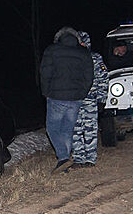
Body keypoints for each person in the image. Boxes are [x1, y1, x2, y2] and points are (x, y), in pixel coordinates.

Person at [40, 26, 94, 172]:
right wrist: (82, 94)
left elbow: (45, 74)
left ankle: (63, 157)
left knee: (52, 128)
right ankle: (65, 161)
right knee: (67, 129)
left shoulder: (51, 50)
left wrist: (46, 92)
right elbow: (89, 77)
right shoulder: (84, 53)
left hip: (56, 97)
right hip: (76, 98)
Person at [70, 31, 109, 171]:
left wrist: (101, 98)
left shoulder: (95, 58)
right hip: (74, 100)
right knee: (75, 129)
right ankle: (78, 158)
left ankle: (90, 159)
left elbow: (103, 79)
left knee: (90, 129)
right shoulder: (71, 59)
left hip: (90, 99)